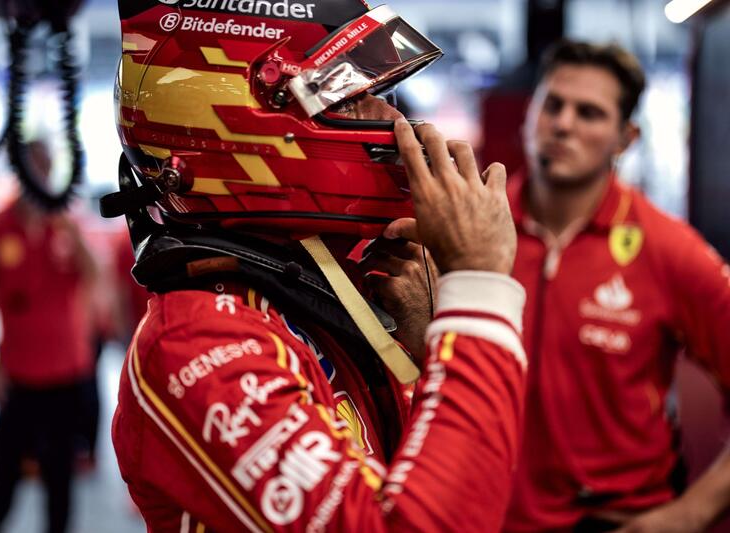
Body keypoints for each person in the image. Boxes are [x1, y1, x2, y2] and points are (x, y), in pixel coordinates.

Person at [107, 1, 527, 531]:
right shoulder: (199, 341)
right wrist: (480, 288)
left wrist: (429, 350)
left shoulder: (317, 288)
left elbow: (459, 492)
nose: (396, 121)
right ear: (240, 123)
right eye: (352, 98)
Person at [496, 41, 730, 532]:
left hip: (614, 518)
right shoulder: (474, 228)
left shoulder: (668, 249)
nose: (564, 125)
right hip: (487, 517)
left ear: (626, 138)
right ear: (529, 113)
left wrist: (691, 513)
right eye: (553, 105)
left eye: (590, 114)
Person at [0, 140, 97, 533]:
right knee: (4, 477)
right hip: (18, 376)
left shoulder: (67, 224)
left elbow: (96, 276)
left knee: (60, 479)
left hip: (67, 372)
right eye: (32, 164)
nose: (40, 172)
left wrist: (71, 229)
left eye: (46, 164)